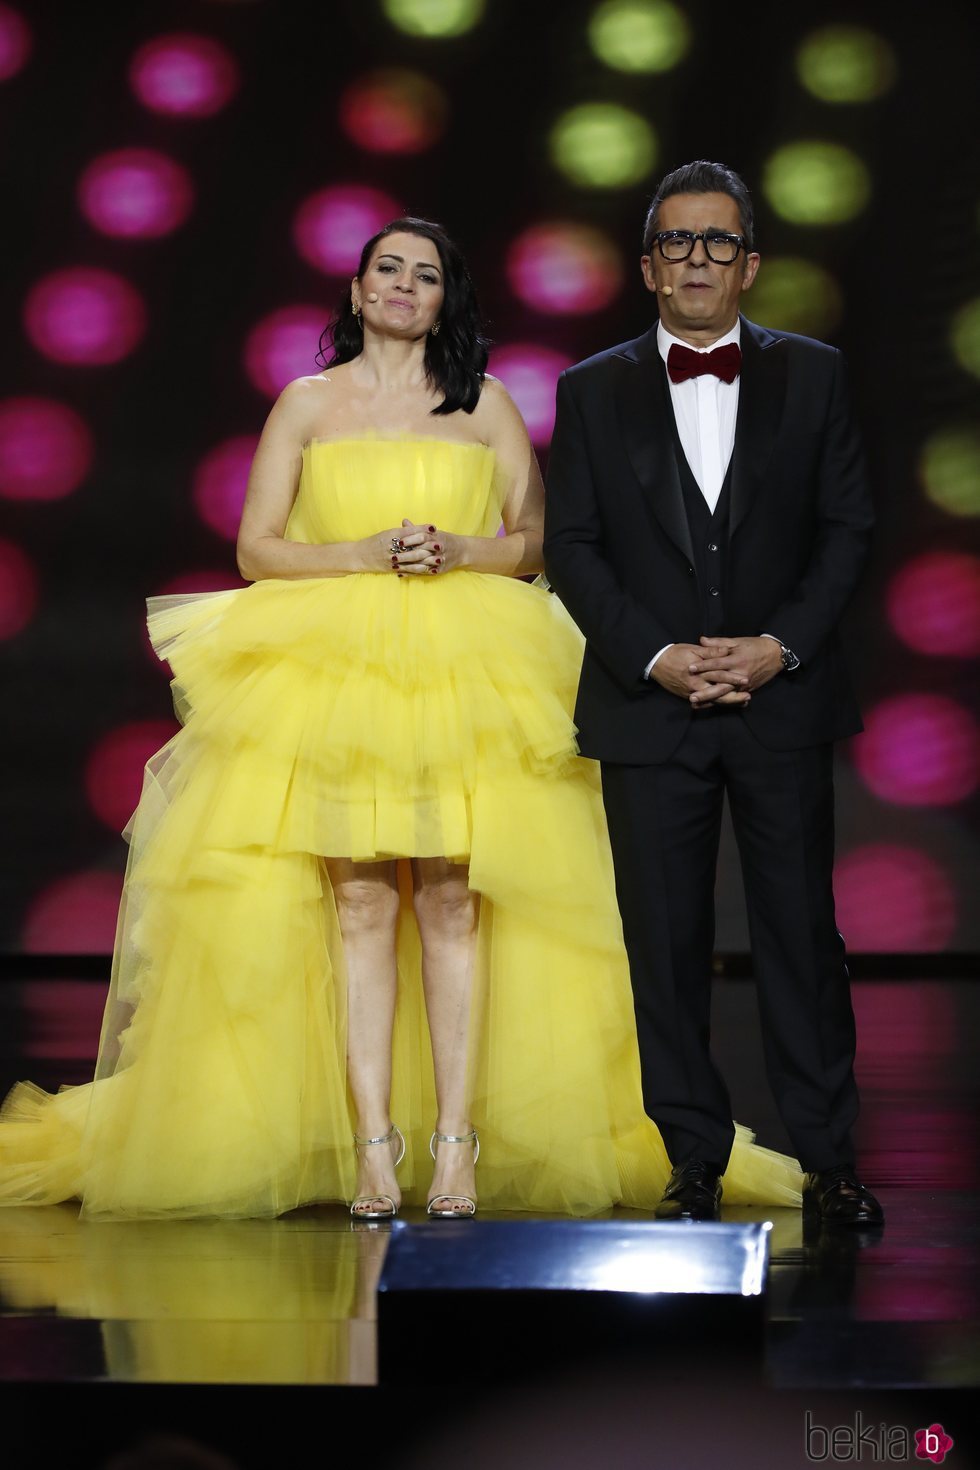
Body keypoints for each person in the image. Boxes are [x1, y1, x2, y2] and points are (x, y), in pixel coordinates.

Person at [0, 217, 801, 1222]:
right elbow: (255, 547)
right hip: (333, 675)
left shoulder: (485, 405)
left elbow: (534, 541)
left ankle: (454, 1146)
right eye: (387, 269)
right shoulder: (305, 403)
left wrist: (459, 552)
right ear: (356, 289)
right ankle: (373, 1147)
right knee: (360, 904)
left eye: (424, 276)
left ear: (442, 301)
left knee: (455, 903)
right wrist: (366, 552)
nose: (402, 287)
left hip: (467, 673)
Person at [544, 161, 884, 1226]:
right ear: (647, 267)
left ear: (750, 263)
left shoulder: (812, 374)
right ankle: (689, 1156)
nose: (698, 260)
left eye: (718, 242)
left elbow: (847, 529)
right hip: (649, 708)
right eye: (678, 243)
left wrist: (777, 646)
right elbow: (573, 545)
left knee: (798, 936)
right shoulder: (590, 387)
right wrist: (657, 656)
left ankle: (827, 1159)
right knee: (663, 943)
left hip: (781, 702)